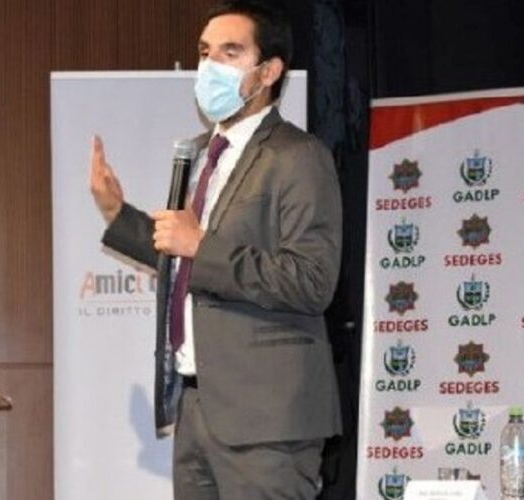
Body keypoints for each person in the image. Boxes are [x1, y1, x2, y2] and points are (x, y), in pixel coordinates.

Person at [89, 1, 342, 498]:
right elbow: (185, 260)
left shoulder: (298, 156)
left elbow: (312, 280)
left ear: (268, 71)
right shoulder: (203, 153)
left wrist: (199, 247)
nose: (209, 67)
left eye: (230, 53)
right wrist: (117, 213)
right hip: (197, 404)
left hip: (267, 417)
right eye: (205, 53)